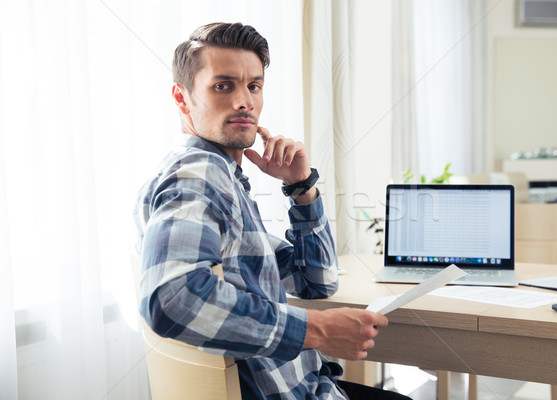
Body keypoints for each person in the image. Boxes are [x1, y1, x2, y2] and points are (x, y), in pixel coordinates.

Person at [134, 22, 411, 400]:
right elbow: (171, 299)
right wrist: (318, 330)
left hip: (308, 386)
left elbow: (317, 281)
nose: (244, 101)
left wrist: (302, 189)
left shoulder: (225, 179)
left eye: (254, 85)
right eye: (223, 85)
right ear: (182, 98)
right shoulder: (198, 174)